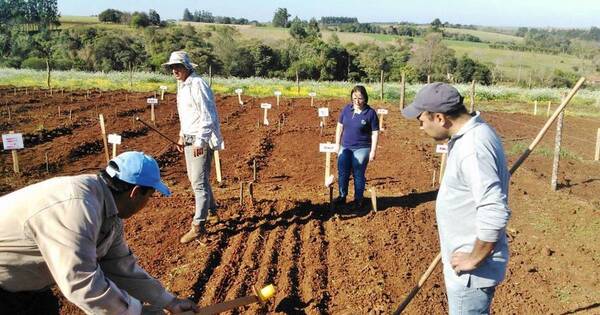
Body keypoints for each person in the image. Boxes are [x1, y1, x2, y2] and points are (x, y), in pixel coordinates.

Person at [0, 151, 199, 315]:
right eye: (150, 196)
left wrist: (169, 302)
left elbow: (120, 266)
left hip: (27, 288)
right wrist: (137, 312)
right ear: (135, 192)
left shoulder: (109, 213)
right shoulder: (76, 207)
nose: (147, 204)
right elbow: (82, 281)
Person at [402, 82, 511, 314]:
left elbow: (494, 210)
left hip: (471, 274)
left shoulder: (473, 148)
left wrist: (474, 258)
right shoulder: (474, 133)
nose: (420, 126)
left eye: (421, 120)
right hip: (466, 263)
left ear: (440, 118)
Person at [162, 51, 224, 244]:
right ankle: (212, 211)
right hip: (189, 138)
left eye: (178, 66)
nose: (174, 71)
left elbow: (208, 116)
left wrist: (200, 141)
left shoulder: (198, 84)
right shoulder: (182, 85)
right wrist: (181, 136)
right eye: (172, 67)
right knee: (197, 179)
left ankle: (198, 226)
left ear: (187, 67)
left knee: (198, 183)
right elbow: (187, 115)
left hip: (200, 140)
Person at [334, 85, 379, 210]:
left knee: (358, 174)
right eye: (354, 98)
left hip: (362, 148)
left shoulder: (370, 113)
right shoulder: (346, 110)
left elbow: (375, 133)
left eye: (360, 98)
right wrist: (337, 144)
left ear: (365, 98)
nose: (357, 101)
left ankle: (358, 199)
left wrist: (373, 151)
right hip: (345, 147)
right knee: (343, 172)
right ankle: (342, 196)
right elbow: (339, 127)